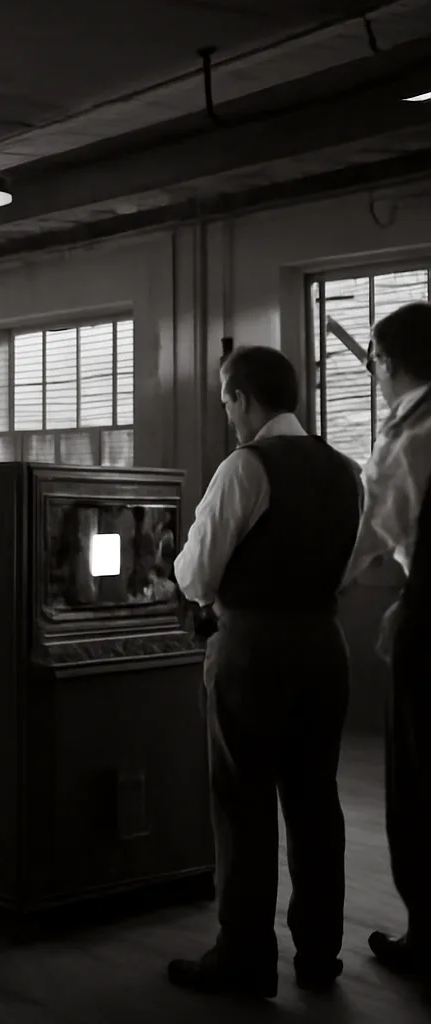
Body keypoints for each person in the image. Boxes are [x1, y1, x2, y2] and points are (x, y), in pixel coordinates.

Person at [168, 345, 362, 999]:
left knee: (243, 803)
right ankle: (320, 954)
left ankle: (245, 958)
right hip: (323, 645)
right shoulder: (347, 471)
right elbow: (353, 563)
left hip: (252, 648)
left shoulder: (245, 467)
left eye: (225, 399)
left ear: (243, 398)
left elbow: (197, 576)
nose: (225, 412)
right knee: (315, 800)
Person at [338, 300, 431, 987]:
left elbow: (361, 538)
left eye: (373, 359)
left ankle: (428, 935)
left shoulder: (410, 440)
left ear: (389, 362)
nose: (371, 370)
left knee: (419, 781)